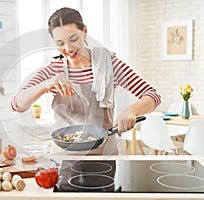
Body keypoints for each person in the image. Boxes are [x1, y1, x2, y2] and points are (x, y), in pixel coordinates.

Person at [10, 7, 161, 155]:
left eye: (73, 39)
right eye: (60, 43)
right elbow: (17, 104)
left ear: (84, 31)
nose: (68, 48)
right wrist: (46, 84)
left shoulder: (109, 64)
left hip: (103, 156)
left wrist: (132, 111)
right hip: (63, 157)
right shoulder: (53, 70)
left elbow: (153, 95)